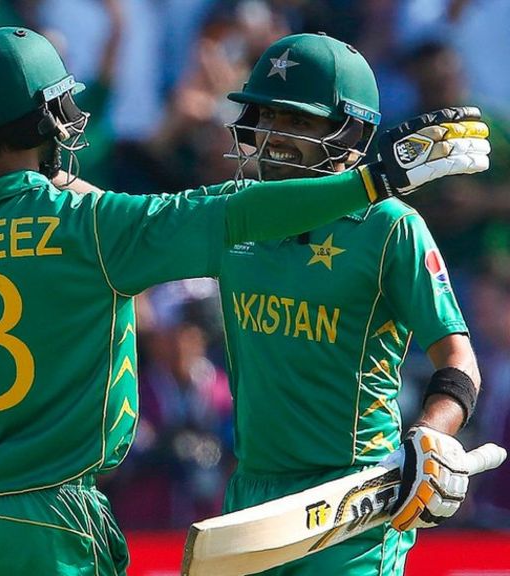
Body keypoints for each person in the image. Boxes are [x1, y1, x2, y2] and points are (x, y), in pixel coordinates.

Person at [0, 27, 488, 575]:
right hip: (51, 520)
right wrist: (374, 177)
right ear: (52, 118)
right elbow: (235, 214)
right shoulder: (98, 227)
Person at [214, 33, 488, 574]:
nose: (273, 135)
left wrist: (430, 437)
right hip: (251, 498)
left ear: (350, 134)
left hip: (352, 503)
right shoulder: (231, 214)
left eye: (298, 120)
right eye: (267, 116)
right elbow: (121, 223)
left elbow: (460, 361)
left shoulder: (390, 227)